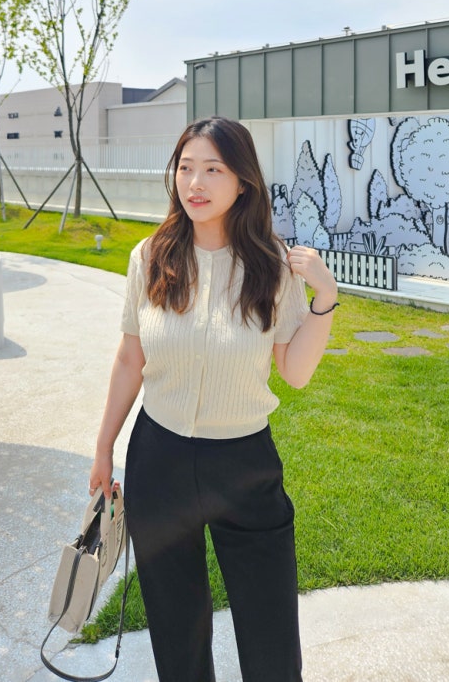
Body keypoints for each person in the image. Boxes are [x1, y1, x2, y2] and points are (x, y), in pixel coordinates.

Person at [89, 116, 338, 682]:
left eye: (212, 169)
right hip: (159, 458)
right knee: (174, 622)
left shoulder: (271, 265)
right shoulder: (150, 256)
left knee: (270, 624)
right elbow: (130, 359)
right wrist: (104, 449)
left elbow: (295, 372)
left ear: (243, 181)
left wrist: (324, 297)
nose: (195, 183)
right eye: (185, 168)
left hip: (244, 462)